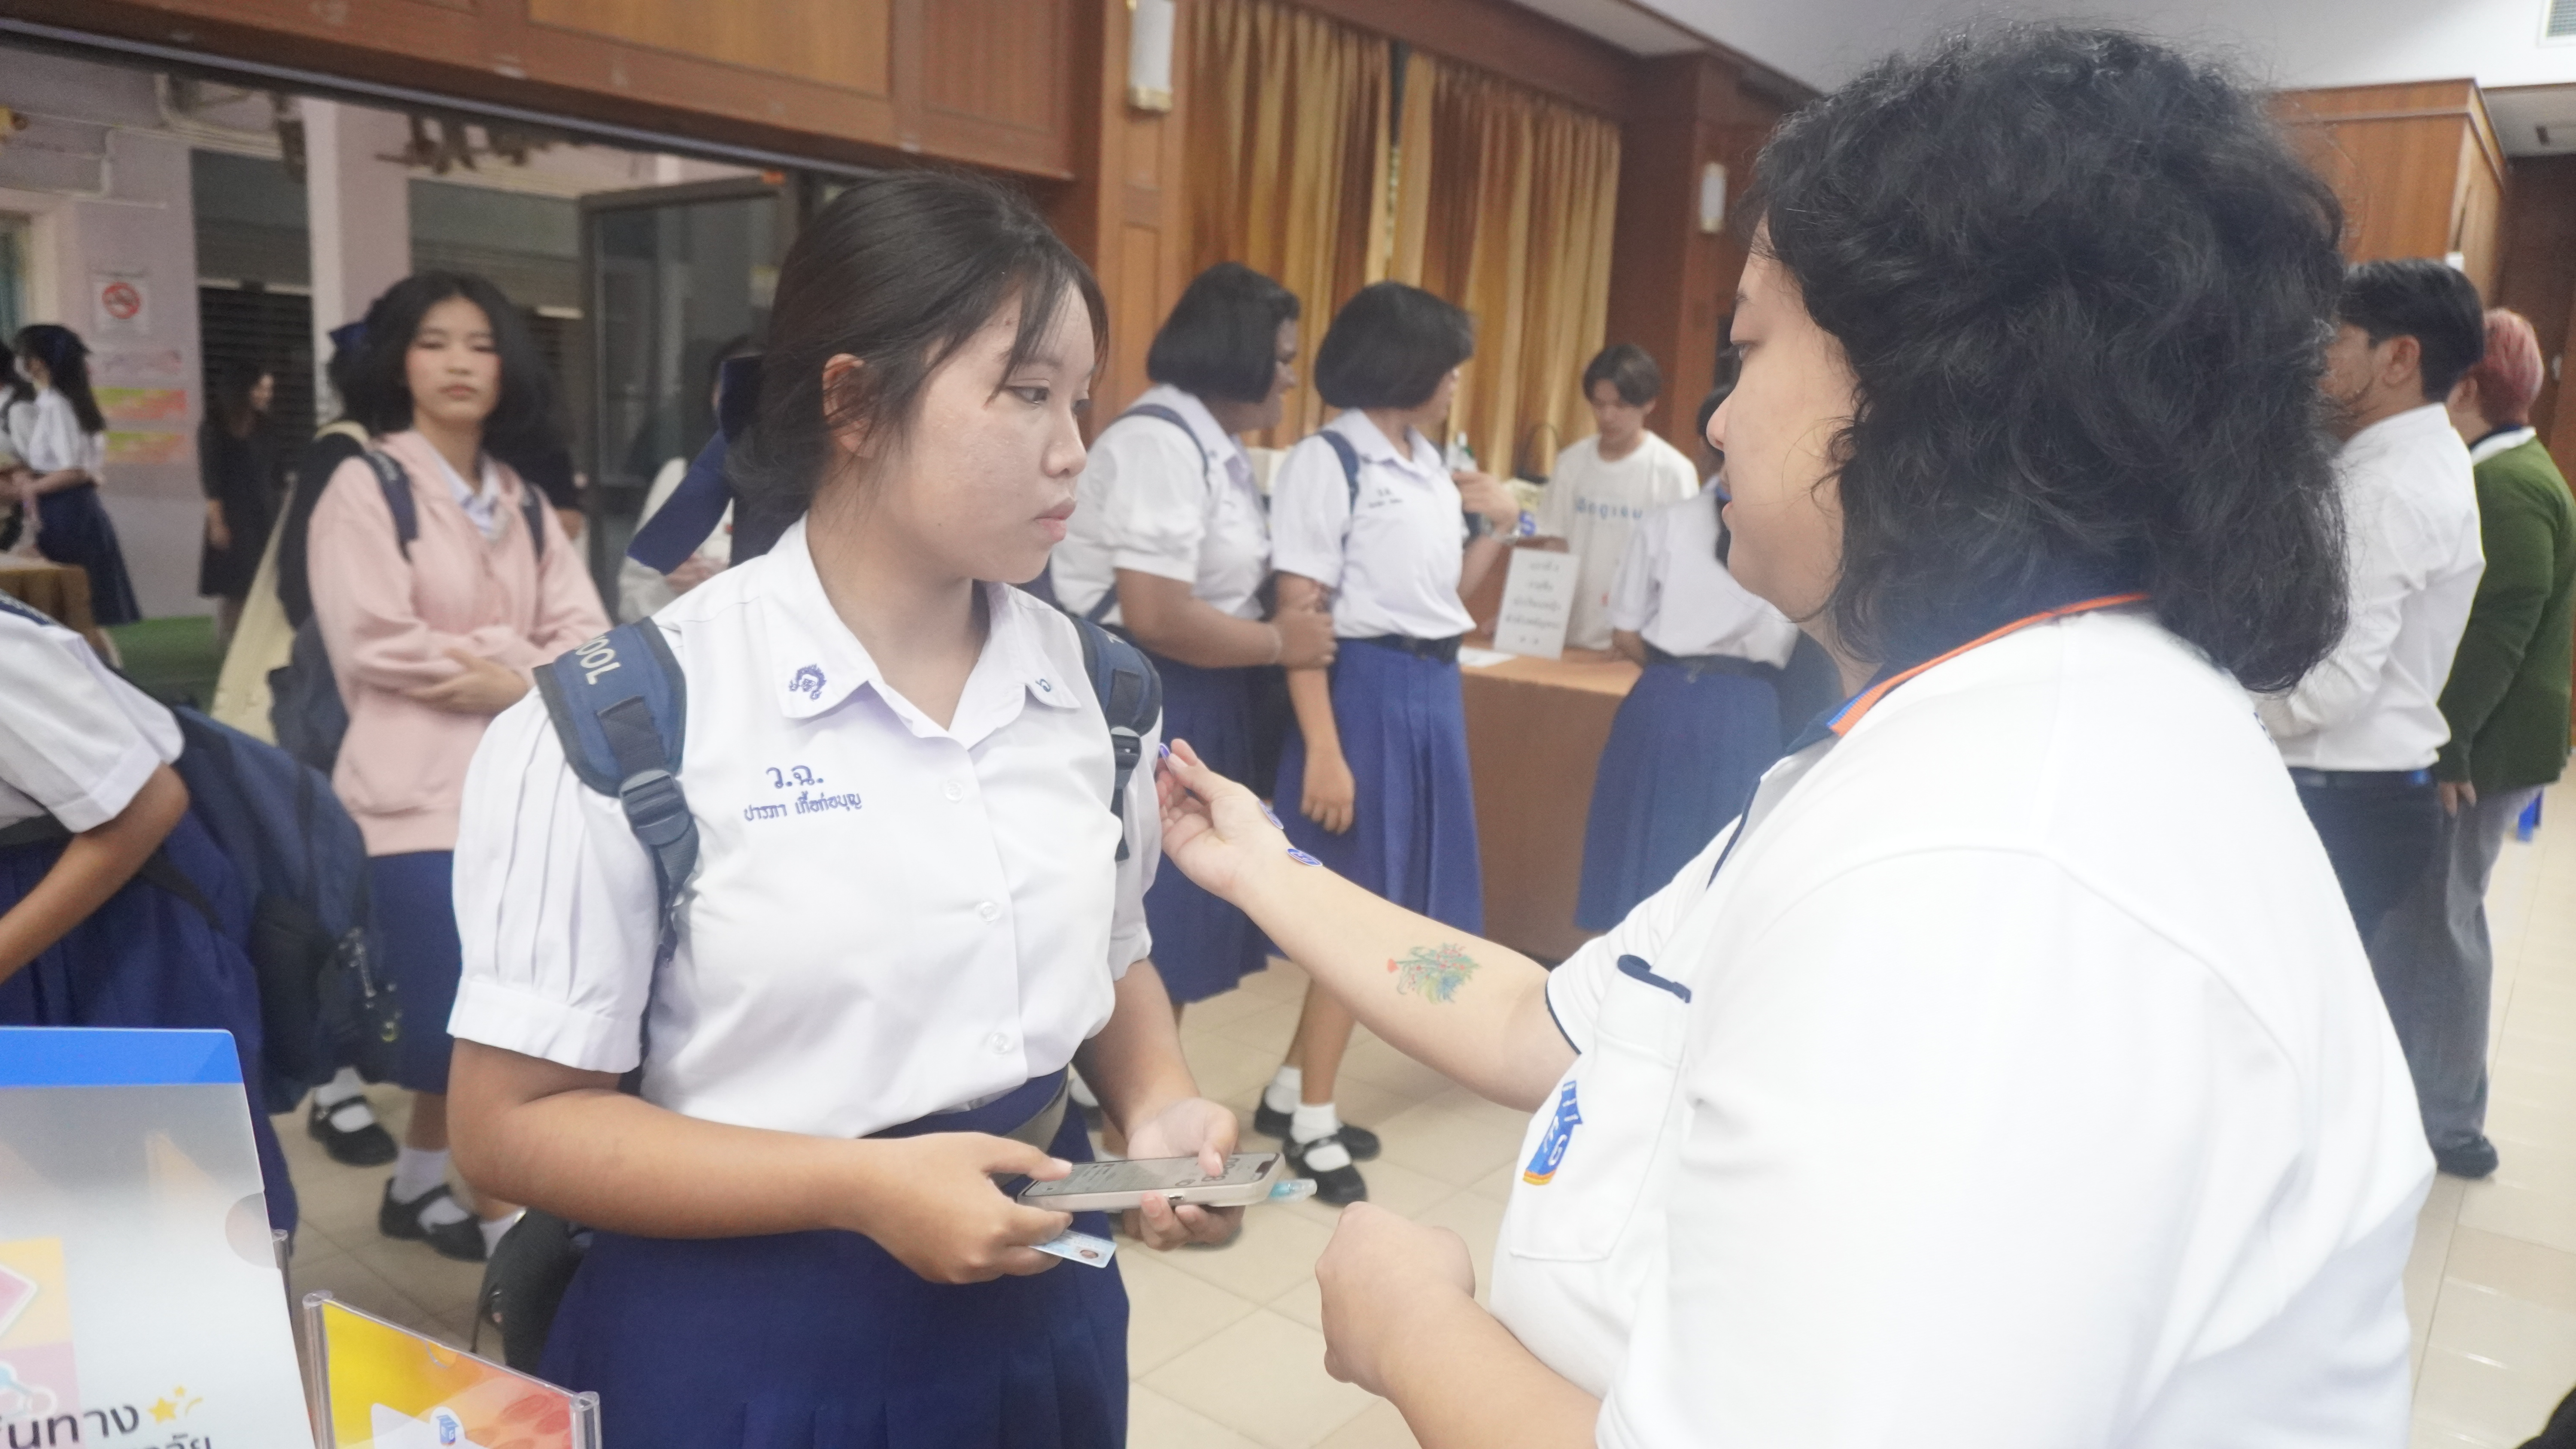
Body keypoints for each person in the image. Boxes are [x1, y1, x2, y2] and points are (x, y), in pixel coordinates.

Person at [1151, 25, 2430, 1444]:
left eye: (1750, 349)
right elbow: (1536, 1019)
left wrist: (1413, 1328)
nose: (1716, 418)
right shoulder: (1971, 740)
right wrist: (1264, 865)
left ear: (1923, 386)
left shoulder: (1993, 869)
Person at [443, 172, 1238, 1443]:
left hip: (1042, 1311)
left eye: (1080, 399)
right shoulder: (631, 720)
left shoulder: (1098, 692)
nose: (1072, 450)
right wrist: (860, 1186)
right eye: (1025, 392)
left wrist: (1158, 1105)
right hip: (740, 1348)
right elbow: (507, 1129)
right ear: (854, 402)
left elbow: (1112, 952)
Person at [307, 271, 609, 1262]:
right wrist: (522, 662)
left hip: (523, 796)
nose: (459, 364)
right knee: (457, 1024)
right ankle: (508, 1237)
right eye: (434, 342)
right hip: (413, 806)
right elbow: (373, 641)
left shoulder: (524, 501)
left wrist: (505, 675)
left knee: (501, 1012)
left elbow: (589, 636)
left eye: (480, 344)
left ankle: (415, 1185)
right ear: (400, 361)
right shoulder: (366, 486)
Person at [1260, 281, 1520, 1204]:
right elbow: (1301, 618)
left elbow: (1446, 595)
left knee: (1390, 898)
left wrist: (1501, 526)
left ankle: (1289, 1089)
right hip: (1362, 690)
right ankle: (1314, 1121)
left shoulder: (1426, 461)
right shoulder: (1328, 460)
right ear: (1403, 365)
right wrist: (1325, 751)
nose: (1453, 384)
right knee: (1356, 912)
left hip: (1431, 685)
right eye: (1445, 367)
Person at [1051, 263, 1336, 1012]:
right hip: (1160, 689)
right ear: (1235, 355)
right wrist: (1281, 643)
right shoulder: (1162, 442)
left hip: (1208, 688)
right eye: (1281, 358)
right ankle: (1138, 1080)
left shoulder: (1213, 444)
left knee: (1184, 913)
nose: (1291, 377)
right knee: (1158, 916)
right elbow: (1157, 614)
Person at [0, 594, 298, 1234]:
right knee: (64, 1213)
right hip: (55, 927)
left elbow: (149, 803)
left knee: (177, 1202)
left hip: (103, 925)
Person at [2371, 307, 2576, 1182]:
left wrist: (2449, 748)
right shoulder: (2513, 469)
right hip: (2494, 741)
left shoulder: (2510, 486)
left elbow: (2501, 630)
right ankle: (2422, 1101)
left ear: (2468, 386)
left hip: (2485, 751)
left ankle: (2451, 1122)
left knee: (2445, 927)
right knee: (2438, 922)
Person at [2259, 258, 2485, 943]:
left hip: (2338, 801)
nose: (2318, 359)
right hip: (2364, 797)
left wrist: (2207, 685)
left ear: (2399, 358)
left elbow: (2324, 692)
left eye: (2336, 339)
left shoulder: (2388, 489)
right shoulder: (2424, 456)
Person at [1575, 382, 1799, 931]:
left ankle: (1621, 966)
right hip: (1747, 706)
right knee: (1725, 861)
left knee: (1641, 849)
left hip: (1663, 697)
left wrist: (1675, 672)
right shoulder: (1799, 529)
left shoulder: (1665, 522)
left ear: (1706, 446)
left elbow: (1625, 632)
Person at [1530, 344, 1702, 652]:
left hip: (1636, 643)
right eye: (1599, 405)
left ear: (1649, 403)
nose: (1607, 416)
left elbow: (1681, 565)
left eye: (1620, 406)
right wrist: (1529, 616)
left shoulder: (1673, 472)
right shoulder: (1571, 463)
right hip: (1569, 633)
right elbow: (1554, 545)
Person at [617, 334, 756, 623]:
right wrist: (670, 588)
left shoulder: (813, 486)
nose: (743, 400)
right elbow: (630, 602)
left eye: (756, 388)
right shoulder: (683, 477)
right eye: (728, 387)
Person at [7, 324, 139, 626]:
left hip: (67, 512)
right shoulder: (58, 402)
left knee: (73, 607)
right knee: (75, 610)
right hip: (69, 507)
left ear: (37, 363)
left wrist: (30, 488)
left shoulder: (57, 405)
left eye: (22, 355)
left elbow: (74, 471)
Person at [199, 359, 280, 644]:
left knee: (264, 583)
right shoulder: (215, 426)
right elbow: (212, 480)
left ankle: (256, 642)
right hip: (232, 515)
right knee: (236, 586)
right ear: (242, 389)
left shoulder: (267, 425)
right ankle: (231, 640)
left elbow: (276, 473)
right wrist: (217, 523)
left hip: (266, 513)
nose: (266, 395)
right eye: (260, 389)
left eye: (269, 390)